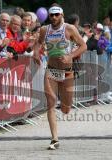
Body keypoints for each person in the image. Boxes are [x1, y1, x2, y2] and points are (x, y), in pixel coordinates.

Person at [33, 3, 87, 150]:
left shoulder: (69, 28)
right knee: (50, 102)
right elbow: (37, 43)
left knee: (65, 109)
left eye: (57, 14)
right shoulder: (45, 30)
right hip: (51, 70)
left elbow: (83, 46)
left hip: (67, 71)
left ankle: (65, 106)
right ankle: (54, 139)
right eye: (52, 15)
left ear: (62, 15)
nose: (54, 17)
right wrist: (36, 53)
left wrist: (70, 56)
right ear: (49, 16)